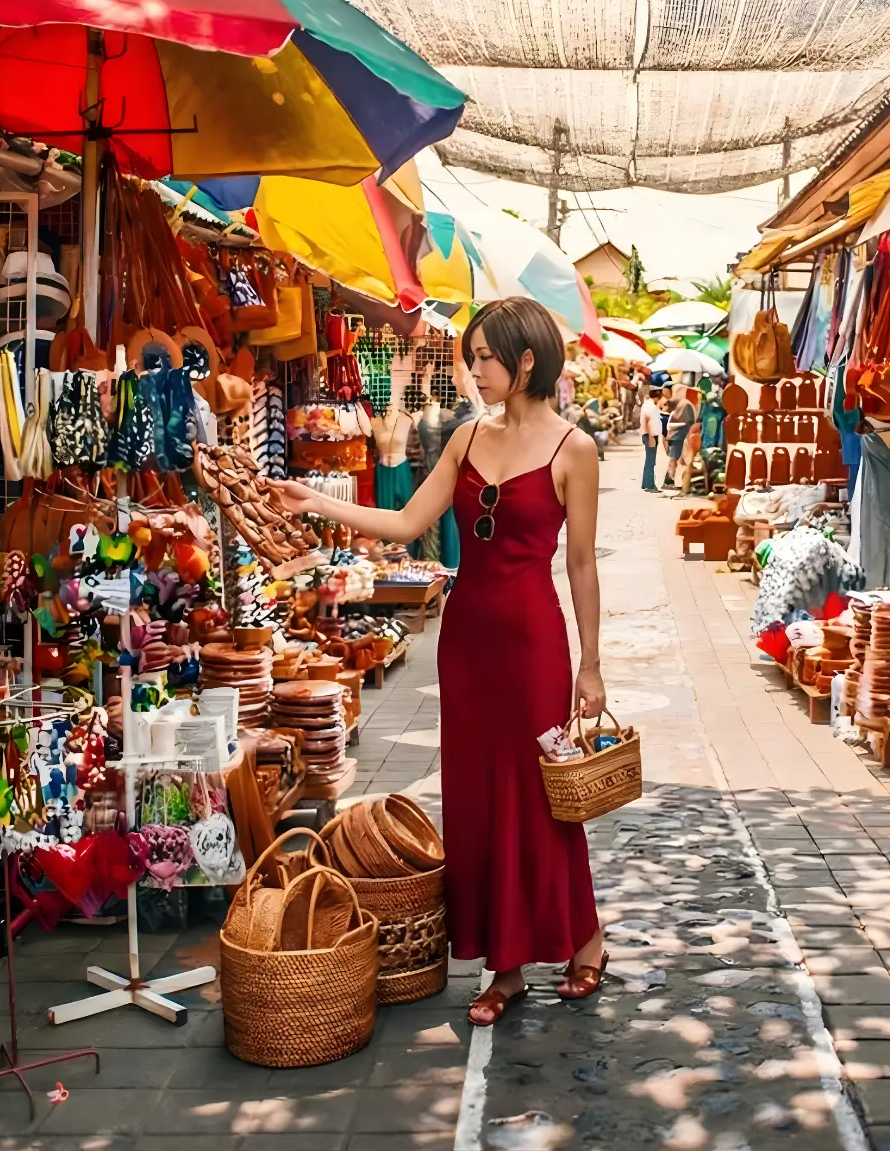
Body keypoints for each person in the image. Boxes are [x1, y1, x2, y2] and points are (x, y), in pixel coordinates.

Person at [271, 296, 607, 1026]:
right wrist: (316, 504)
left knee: (544, 797)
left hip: (534, 646)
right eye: (472, 356)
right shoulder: (463, 438)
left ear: (525, 360)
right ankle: (505, 964)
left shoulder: (574, 448)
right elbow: (404, 522)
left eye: (486, 356)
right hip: (468, 642)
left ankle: (586, 937)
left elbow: (581, 566)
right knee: (479, 799)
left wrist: (591, 665)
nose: (474, 369)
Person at [663, 387, 697, 491]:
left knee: (676, 460)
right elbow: (689, 422)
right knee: (673, 460)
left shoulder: (681, 406)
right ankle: (669, 481)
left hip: (677, 438)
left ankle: (671, 480)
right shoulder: (684, 405)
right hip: (677, 438)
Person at [638, 389, 665, 491]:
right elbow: (649, 423)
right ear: (657, 397)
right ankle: (649, 485)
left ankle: (647, 483)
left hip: (649, 435)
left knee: (649, 460)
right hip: (650, 436)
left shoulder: (648, 406)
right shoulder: (651, 407)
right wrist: (651, 438)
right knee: (650, 460)